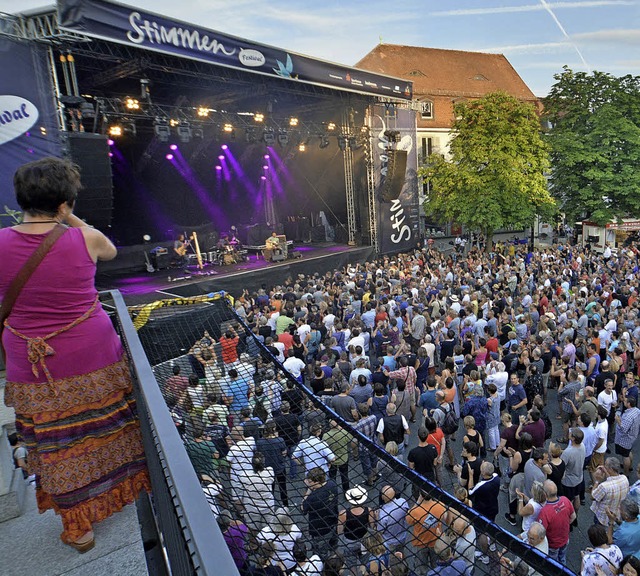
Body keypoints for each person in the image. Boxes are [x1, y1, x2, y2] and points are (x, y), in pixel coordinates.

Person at [0, 157, 150, 551]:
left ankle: (78, 526)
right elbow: (112, 251)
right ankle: (121, 489)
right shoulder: (85, 238)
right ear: (65, 201)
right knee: (108, 426)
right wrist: (71, 218)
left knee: (56, 444)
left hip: (31, 363)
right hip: (92, 354)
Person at [301, 467, 339, 560]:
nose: (307, 482)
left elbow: (303, 509)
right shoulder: (332, 484)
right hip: (333, 522)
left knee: (320, 554)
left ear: (316, 482)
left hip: (319, 530)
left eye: (310, 481)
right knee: (333, 546)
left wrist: (309, 490)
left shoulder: (313, 497)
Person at [537, 480, 576, 563]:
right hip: (565, 539)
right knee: (562, 559)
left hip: (552, 544)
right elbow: (573, 516)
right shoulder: (565, 500)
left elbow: (540, 531)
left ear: (545, 494)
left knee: (553, 564)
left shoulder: (545, 511)